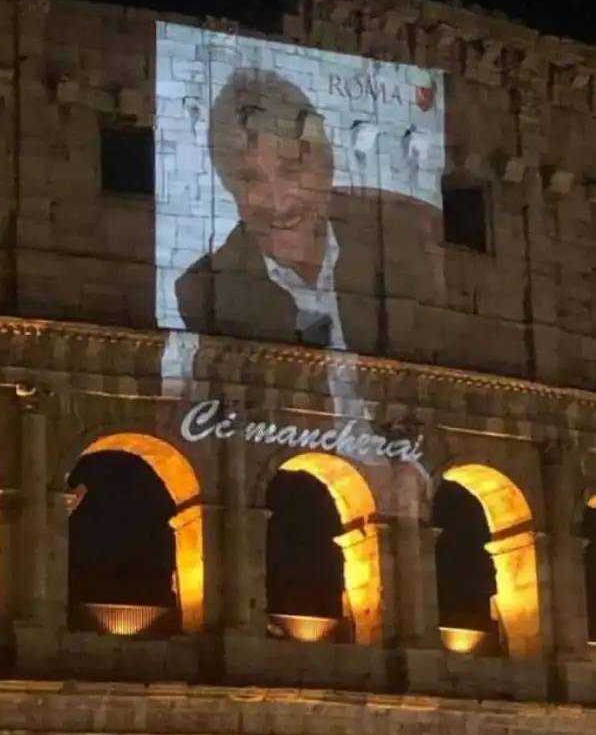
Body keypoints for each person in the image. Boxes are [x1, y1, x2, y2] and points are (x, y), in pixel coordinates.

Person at [173, 68, 439, 517]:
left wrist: (416, 474)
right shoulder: (198, 290)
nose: (277, 200)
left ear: (328, 164)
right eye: (249, 178)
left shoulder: (402, 250)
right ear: (225, 185)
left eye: (293, 169)